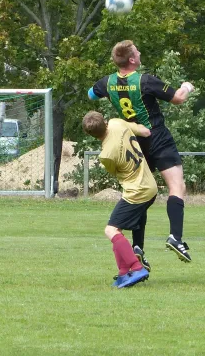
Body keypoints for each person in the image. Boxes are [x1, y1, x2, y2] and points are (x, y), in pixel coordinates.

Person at [88, 40, 194, 263]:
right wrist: (186, 86)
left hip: (134, 141)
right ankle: (175, 237)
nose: (140, 51)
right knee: (177, 186)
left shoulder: (108, 82)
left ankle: (137, 247)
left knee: (143, 195)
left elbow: (91, 94)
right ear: (133, 60)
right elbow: (178, 99)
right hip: (157, 136)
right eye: (137, 50)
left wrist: (110, 92)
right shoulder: (145, 81)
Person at [82, 111, 157, 288]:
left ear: (91, 135)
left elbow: (115, 171)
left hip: (136, 192)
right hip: (149, 186)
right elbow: (144, 132)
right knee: (117, 230)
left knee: (111, 230)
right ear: (105, 121)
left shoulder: (106, 154)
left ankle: (137, 267)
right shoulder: (117, 123)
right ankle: (124, 272)